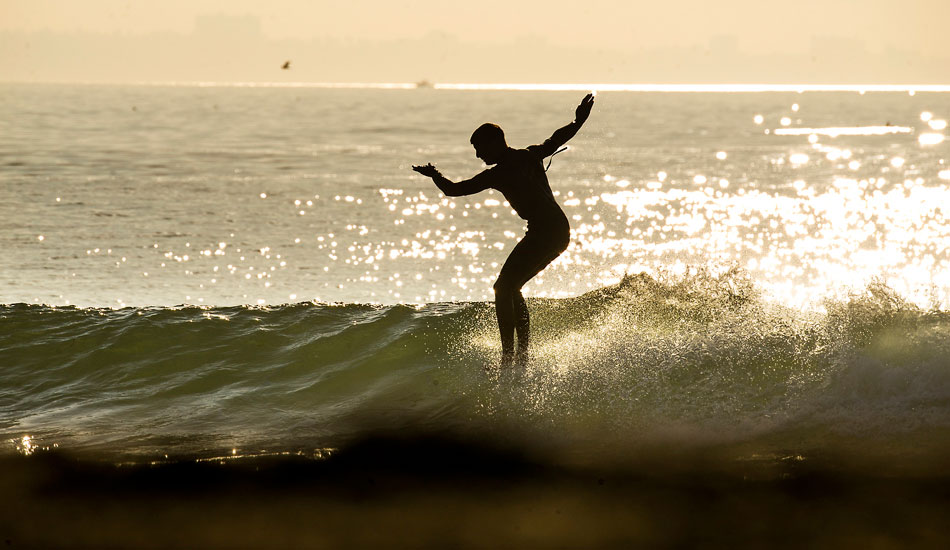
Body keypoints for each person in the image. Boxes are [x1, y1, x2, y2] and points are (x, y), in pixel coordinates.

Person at [413, 93, 595, 366]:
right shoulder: (528, 156)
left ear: (496, 142)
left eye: (479, 148)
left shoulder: (501, 171)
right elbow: (557, 139)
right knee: (512, 287)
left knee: (503, 287)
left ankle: (510, 356)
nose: (477, 155)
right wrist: (578, 120)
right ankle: (520, 354)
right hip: (556, 230)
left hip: (547, 231)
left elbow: (453, 190)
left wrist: (435, 175)